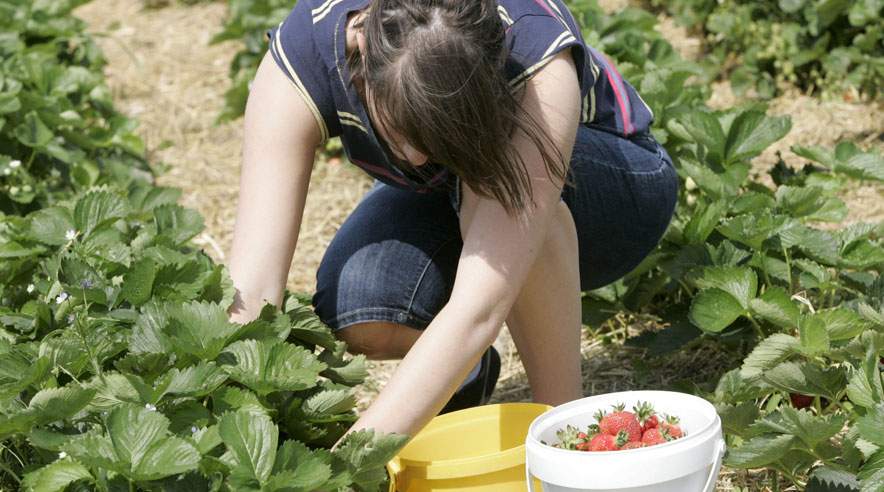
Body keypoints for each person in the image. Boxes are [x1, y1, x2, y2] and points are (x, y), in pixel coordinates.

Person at [226, 0, 678, 444]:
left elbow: (477, 311)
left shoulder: (535, 57)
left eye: (433, 130)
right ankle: (466, 373)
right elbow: (254, 284)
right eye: (405, 126)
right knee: (360, 306)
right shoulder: (305, 48)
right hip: (453, 190)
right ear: (361, 48)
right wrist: (232, 423)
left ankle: (564, 430)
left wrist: (348, 466)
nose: (417, 155)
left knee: (494, 186)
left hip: (617, 193)